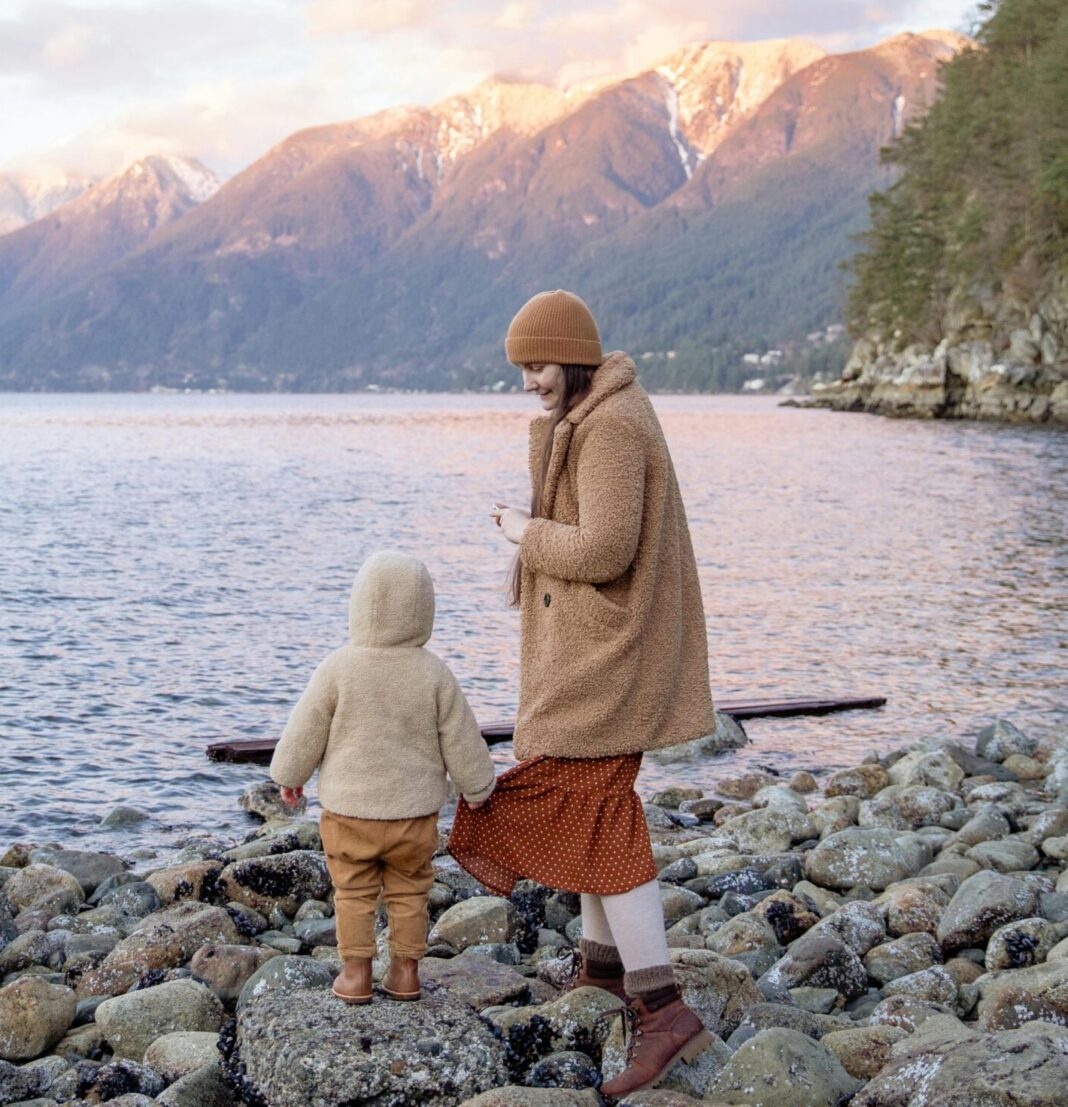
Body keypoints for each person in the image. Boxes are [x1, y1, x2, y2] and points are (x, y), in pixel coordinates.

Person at [447, 289, 717, 1098]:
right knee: (591, 808)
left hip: (610, 658)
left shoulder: (609, 427)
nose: (528, 380)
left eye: (534, 364)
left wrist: (521, 532)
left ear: (569, 355)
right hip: (605, 652)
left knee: (591, 808)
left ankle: (663, 1009)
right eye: (520, 368)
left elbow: (605, 548)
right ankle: (603, 972)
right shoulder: (599, 416)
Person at [271, 550, 496, 1005]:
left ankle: (355, 975)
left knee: (352, 892)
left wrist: (289, 776)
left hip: (349, 813)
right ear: (423, 610)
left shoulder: (338, 666)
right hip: (413, 816)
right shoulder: (434, 672)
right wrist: (477, 787)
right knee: (410, 892)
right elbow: (462, 737)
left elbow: (306, 727)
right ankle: (406, 973)